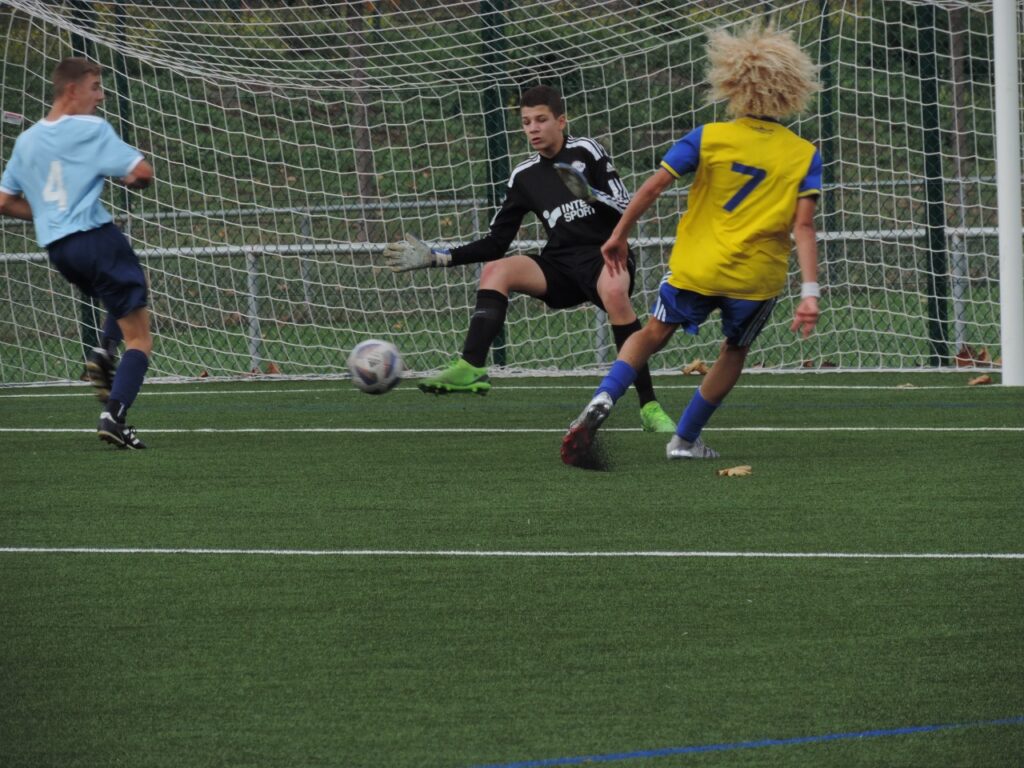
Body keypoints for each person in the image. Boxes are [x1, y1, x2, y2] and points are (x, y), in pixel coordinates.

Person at [561, 24, 823, 466]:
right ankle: (684, 440)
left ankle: (604, 397)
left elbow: (653, 187)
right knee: (734, 351)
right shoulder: (803, 154)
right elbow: (804, 225)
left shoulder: (708, 136)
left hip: (696, 267)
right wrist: (809, 292)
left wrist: (618, 234)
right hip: (755, 279)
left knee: (652, 333)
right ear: (792, 88)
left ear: (731, 82)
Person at [383, 84, 676, 433]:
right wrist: (439, 257)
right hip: (561, 266)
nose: (533, 129)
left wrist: (592, 196)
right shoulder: (524, 176)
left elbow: (627, 207)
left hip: (605, 255)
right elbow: (496, 242)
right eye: (526, 122)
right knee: (497, 270)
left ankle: (649, 406)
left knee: (614, 292)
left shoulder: (587, 151)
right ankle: (471, 366)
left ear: (561, 121)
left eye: (541, 120)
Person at [0, 56, 154, 449]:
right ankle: (114, 415)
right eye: (95, 88)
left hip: (60, 250)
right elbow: (142, 172)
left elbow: (3, 201)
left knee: (125, 292)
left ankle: (104, 350)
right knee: (140, 338)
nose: (100, 97)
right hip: (97, 237)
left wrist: (48, 212)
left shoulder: (26, 141)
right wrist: (131, 178)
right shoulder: (91, 129)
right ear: (72, 90)